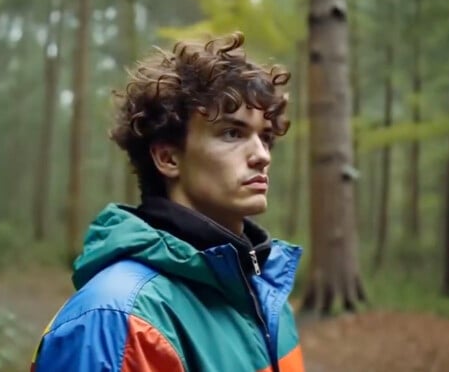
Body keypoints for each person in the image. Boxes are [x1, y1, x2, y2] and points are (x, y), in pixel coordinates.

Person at [31, 32, 304, 372]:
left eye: (265, 137)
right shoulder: (121, 320)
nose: (262, 155)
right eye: (232, 133)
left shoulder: (265, 295)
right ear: (168, 158)